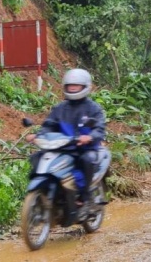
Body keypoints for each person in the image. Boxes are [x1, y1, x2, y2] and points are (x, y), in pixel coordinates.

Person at [25, 68, 106, 219]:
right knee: (37, 157)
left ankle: (85, 198)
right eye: (70, 85)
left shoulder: (93, 108)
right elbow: (49, 125)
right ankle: (45, 194)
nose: (72, 88)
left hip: (84, 148)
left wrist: (89, 137)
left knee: (86, 160)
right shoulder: (60, 108)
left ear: (85, 87)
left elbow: (99, 129)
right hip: (62, 147)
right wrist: (38, 135)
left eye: (76, 85)